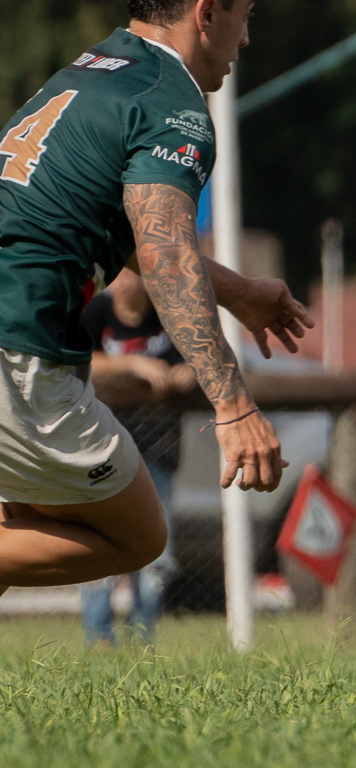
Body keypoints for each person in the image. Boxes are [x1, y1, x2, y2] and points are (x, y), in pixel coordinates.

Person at [0, 0, 311, 601]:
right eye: (245, 15)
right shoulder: (172, 106)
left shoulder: (91, 70)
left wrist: (237, 291)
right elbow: (168, 254)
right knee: (136, 536)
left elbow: (129, 234)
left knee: (22, 526)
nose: (245, 38)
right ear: (208, 12)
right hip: (18, 344)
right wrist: (233, 404)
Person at [78, 267, 192, 644]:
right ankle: (99, 638)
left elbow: (197, 355)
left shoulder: (167, 314)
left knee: (156, 547)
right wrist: (133, 363)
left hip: (158, 447)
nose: (123, 283)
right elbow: (76, 361)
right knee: (98, 540)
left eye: (131, 273)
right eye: (117, 274)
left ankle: (144, 637)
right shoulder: (95, 312)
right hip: (101, 445)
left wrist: (189, 373)